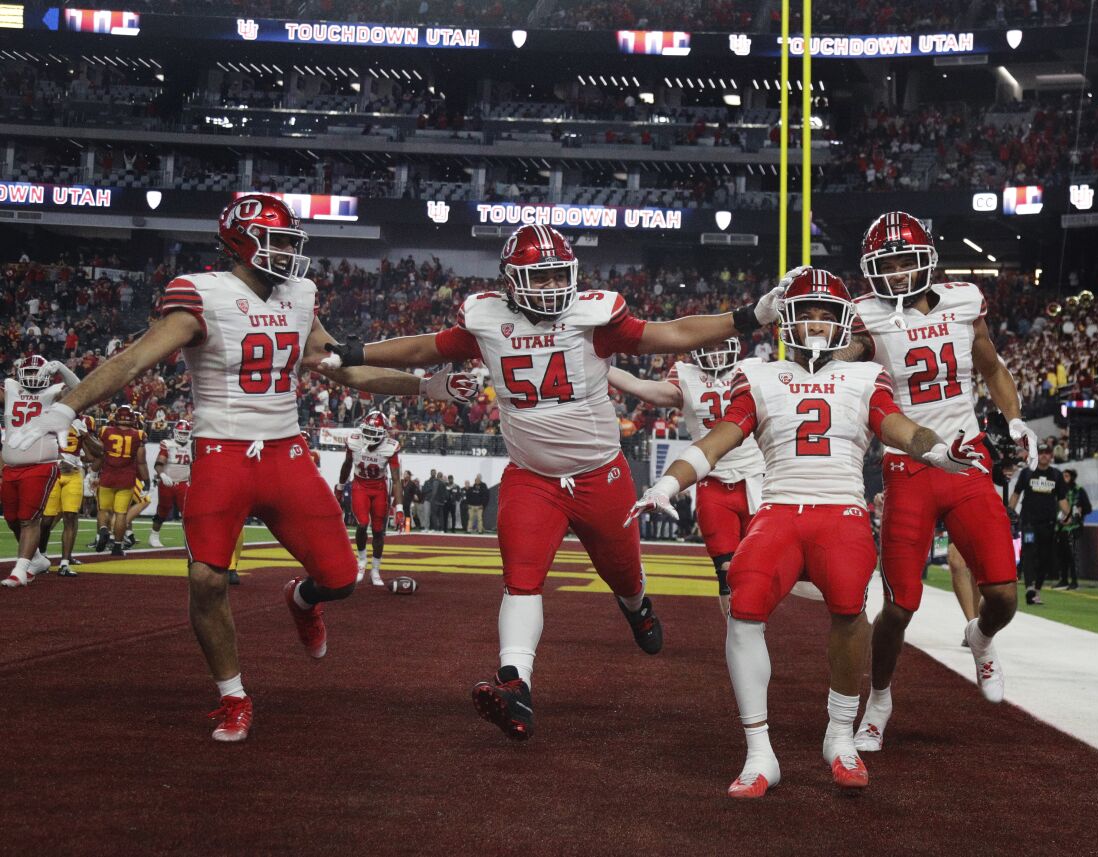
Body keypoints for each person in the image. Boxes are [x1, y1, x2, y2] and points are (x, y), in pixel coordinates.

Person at [6, 194, 477, 741]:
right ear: (241, 243)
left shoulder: (299, 296)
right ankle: (233, 695)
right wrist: (65, 407)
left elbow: (344, 370)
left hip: (285, 453)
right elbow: (134, 358)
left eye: (288, 241)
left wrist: (428, 385)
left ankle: (302, 601)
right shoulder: (200, 295)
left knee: (341, 579)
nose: (286, 253)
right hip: (222, 452)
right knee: (206, 579)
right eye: (274, 241)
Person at [319, 222, 784, 741]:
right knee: (521, 579)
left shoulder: (593, 318)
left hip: (600, 476)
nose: (549, 288)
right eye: (536, 279)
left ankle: (637, 608)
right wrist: (357, 352)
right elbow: (424, 350)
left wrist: (748, 318)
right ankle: (516, 684)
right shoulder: (487, 318)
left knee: (625, 577)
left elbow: (671, 333)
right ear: (511, 281)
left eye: (556, 276)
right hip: (531, 477)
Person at [624, 268, 983, 795]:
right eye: (806, 310)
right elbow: (719, 439)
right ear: (786, 320)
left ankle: (839, 738)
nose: (815, 321)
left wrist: (936, 449)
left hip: (841, 512)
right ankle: (759, 753)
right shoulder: (760, 375)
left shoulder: (866, 377)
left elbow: (896, 425)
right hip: (779, 509)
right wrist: (668, 483)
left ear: (844, 321)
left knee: (848, 610)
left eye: (825, 311)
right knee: (743, 607)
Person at [847, 211, 1028, 752]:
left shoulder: (964, 301)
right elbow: (839, 366)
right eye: (888, 264)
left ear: (927, 261)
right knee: (899, 605)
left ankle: (980, 636)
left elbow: (992, 368)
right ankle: (878, 699)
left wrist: (1014, 418)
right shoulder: (866, 317)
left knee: (1003, 596)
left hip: (969, 458)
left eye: (906, 261)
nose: (898, 273)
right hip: (909, 466)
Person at [607, 337, 766, 615]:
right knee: (726, 571)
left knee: (758, 569)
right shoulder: (686, 376)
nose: (716, 354)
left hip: (755, 479)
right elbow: (640, 386)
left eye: (720, 346)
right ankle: (737, 633)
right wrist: (600, 365)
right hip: (711, 481)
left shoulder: (755, 369)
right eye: (711, 346)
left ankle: (753, 626)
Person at [2, 355, 80, 586]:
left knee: (28, 519)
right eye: (30, 373)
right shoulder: (11, 388)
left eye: (39, 373)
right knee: (12, 519)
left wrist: (63, 369)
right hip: (11, 466)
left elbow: (81, 389)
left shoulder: (55, 391)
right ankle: (36, 559)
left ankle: (20, 570)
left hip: (40, 464)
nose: (34, 378)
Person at [337, 410, 401, 586]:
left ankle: (375, 570)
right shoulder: (354, 441)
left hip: (380, 488)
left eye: (374, 432)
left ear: (383, 433)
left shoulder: (390, 446)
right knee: (362, 523)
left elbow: (396, 479)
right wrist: (340, 487)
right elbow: (347, 465)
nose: (370, 436)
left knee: (379, 530)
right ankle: (362, 561)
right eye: (368, 431)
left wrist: (400, 508)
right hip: (360, 486)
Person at [40, 413, 101, 576]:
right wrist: (60, 460)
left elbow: (97, 453)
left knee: (70, 516)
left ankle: (65, 562)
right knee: (46, 520)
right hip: (53, 471)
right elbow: (42, 443)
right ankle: (41, 556)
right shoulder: (51, 418)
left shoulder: (83, 422)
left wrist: (85, 435)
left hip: (73, 473)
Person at [1010, 444, 1070, 605]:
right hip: (1029, 522)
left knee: (1044, 557)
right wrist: (1008, 513)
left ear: (1051, 456)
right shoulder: (1027, 473)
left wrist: (1069, 515)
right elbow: (1016, 494)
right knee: (1029, 553)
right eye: (1041, 452)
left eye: (1047, 453)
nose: (1044, 455)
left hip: (1048, 524)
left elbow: (1062, 499)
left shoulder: (1056, 475)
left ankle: (1036, 589)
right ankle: (1029, 587)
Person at [93, 405, 148, 556]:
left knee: (104, 510)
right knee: (121, 514)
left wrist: (92, 473)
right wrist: (147, 480)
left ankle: (103, 530)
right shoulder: (139, 434)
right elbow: (141, 461)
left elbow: (99, 454)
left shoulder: (105, 431)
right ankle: (117, 546)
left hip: (107, 476)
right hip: (126, 478)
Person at [149, 419, 193, 548]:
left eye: (186, 433)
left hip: (184, 483)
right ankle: (154, 535)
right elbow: (159, 463)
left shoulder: (192, 445)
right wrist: (162, 475)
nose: (183, 435)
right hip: (168, 482)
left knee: (187, 512)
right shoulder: (168, 444)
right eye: (181, 432)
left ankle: (189, 539)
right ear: (175, 432)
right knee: (163, 509)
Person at [1052, 468, 1092, 590]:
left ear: (1072, 477)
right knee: (1061, 555)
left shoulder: (1078, 490)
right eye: (1063, 476)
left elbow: (1088, 508)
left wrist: (1079, 511)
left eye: (1067, 476)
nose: (1064, 478)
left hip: (1073, 527)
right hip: (1060, 527)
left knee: (1072, 555)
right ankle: (1063, 579)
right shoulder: (1058, 491)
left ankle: (1074, 581)